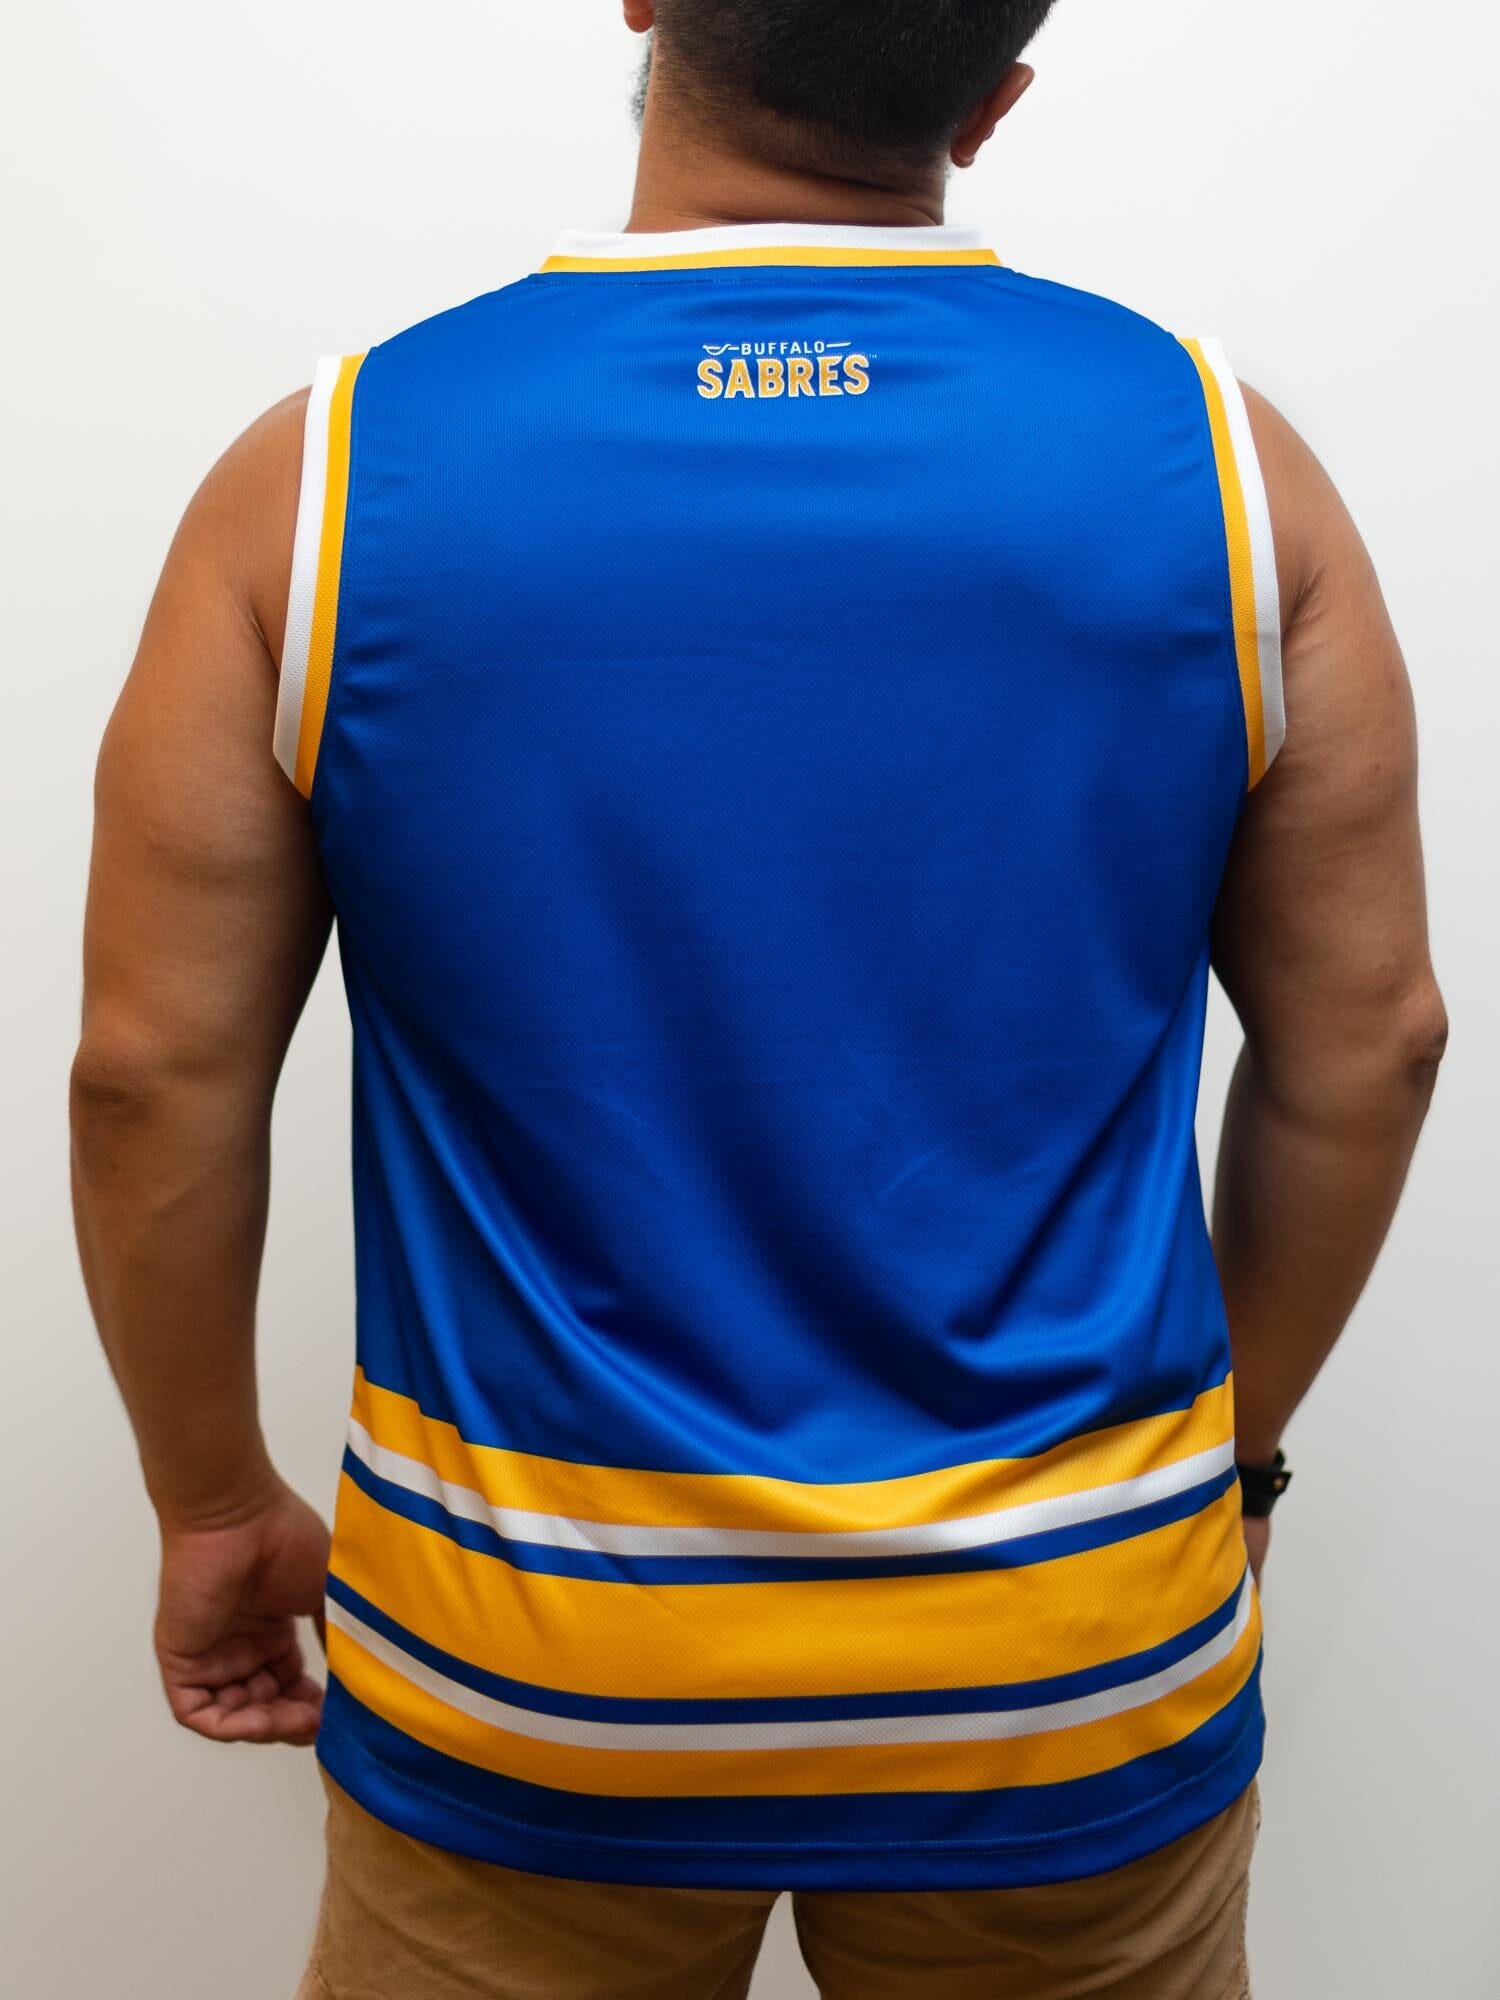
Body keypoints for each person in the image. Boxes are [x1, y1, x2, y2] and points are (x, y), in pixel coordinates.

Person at [71, 3, 1446, 1995]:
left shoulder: (331, 472)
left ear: (645, 0)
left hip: (534, 1673)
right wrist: (1227, 1468)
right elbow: (1375, 1042)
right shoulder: (1233, 471)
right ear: (995, 98)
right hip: (1066, 1664)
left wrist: (211, 1503)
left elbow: (151, 1072)